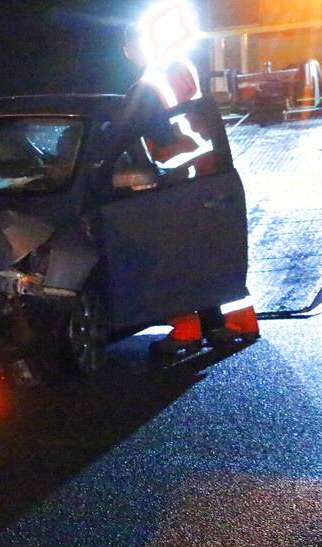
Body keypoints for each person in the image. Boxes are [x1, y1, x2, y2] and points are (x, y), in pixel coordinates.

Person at [103, 3, 230, 353]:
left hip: (175, 180)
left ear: (129, 50)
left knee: (171, 256)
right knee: (207, 252)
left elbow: (153, 147)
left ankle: (188, 330)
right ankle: (225, 324)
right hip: (209, 172)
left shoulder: (145, 88)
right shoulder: (181, 70)